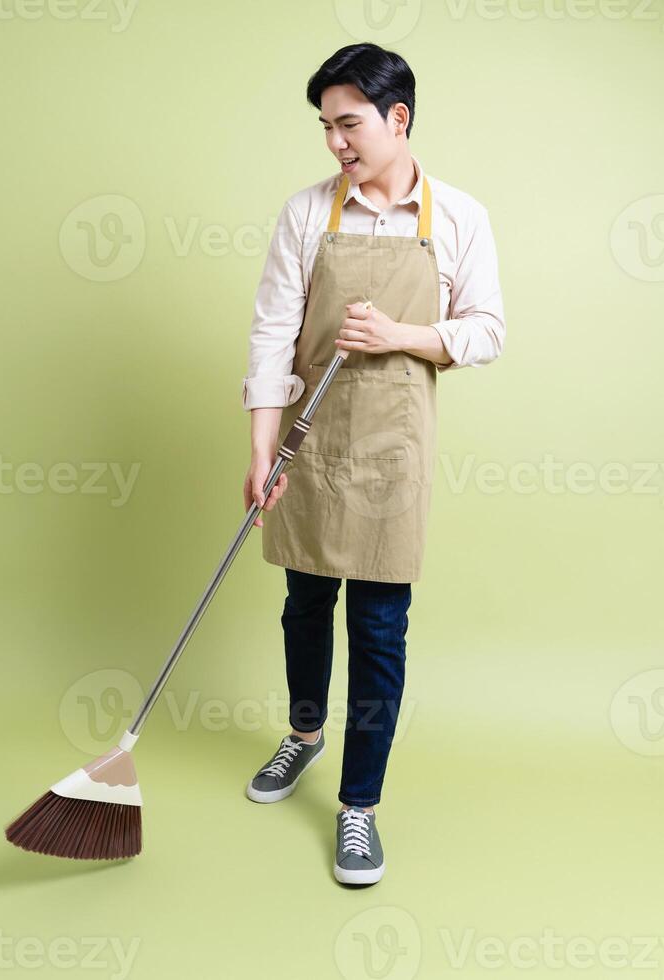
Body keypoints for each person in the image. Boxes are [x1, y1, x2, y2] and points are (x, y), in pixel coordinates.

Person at [241, 42, 506, 885]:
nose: (335, 143)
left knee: (380, 628)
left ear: (397, 118)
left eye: (348, 123)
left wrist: (402, 337)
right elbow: (271, 335)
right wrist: (260, 452)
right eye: (325, 126)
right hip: (309, 445)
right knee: (304, 602)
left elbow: (487, 331)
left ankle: (359, 807)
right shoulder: (305, 214)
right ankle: (305, 736)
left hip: (395, 448)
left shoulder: (457, 217)